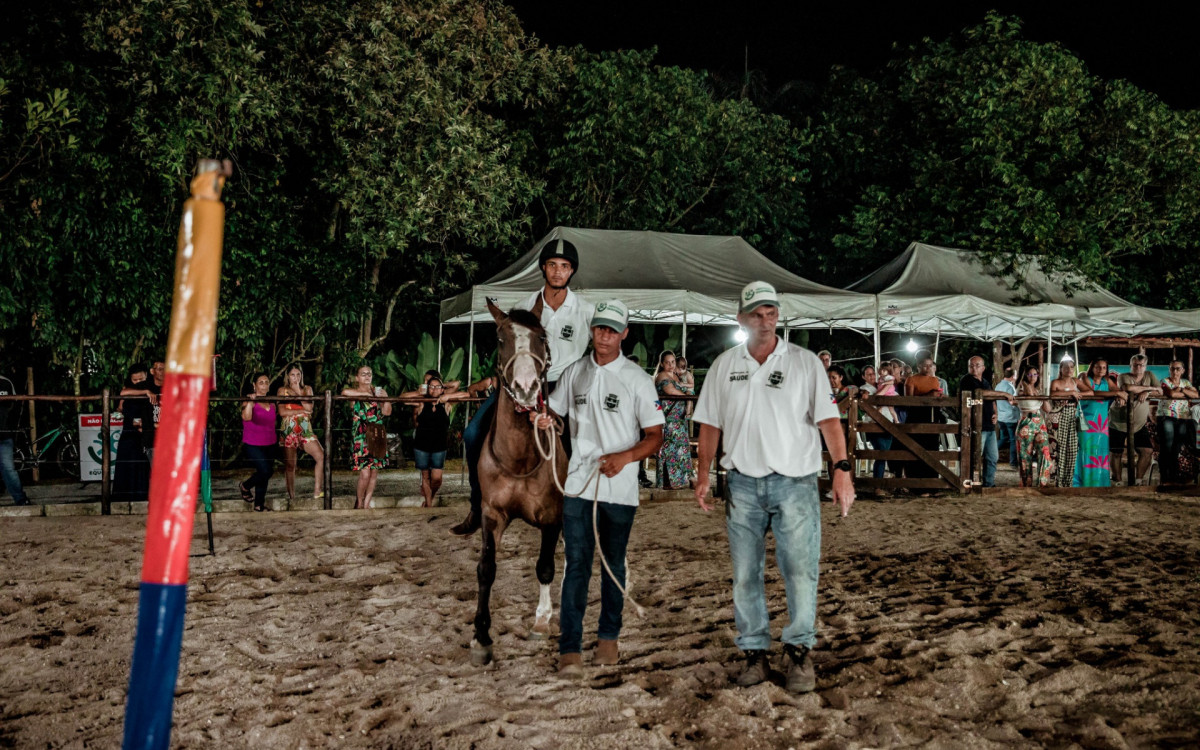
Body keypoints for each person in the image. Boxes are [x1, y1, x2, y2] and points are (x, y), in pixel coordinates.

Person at [693, 281, 854, 694]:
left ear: (778, 316)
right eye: (757, 315)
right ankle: (754, 652)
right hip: (741, 482)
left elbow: (829, 421)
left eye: (771, 313)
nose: (765, 322)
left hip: (795, 481)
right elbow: (709, 424)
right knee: (745, 575)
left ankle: (799, 649)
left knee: (800, 570)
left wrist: (841, 468)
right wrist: (702, 474)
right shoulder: (723, 366)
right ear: (741, 319)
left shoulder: (804, 362)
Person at [531, 299, 664, 677]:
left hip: (619, 491)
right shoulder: (576, 372)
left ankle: (608, 637)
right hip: (577, 486)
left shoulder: (637, 379)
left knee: (612, 565)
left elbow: (655, 436)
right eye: (598, 328)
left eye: (610, 330)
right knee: (576, 567)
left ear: (624, 333)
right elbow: (556, 413)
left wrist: (625, 457)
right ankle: (569, 647)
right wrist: (547, 421)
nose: (602, 336)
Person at [453, 238, 594, 536]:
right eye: (553, 265)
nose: (558, 271)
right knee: (473, 433)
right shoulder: (524, 306)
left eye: (565, 266)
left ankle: (574, 509)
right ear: (543, 267)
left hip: (564, 387)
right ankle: (478, 505)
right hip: (518, 386)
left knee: (580, 444)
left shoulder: (586, 310)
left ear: (572, 271)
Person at [959, 356, 1016, 488]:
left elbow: (991, 398)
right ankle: (971, 483)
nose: (974, 368)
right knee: (975, 456)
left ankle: (989, 483)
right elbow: (980, 393)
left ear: (983, 368)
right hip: (974, 424)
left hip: (988, 425)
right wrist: (1005, 394)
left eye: (977, 365)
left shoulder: (985, 381)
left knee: (992, 457)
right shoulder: (966, 380)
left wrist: (995, 413)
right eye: (971, 365)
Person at [343, 365, 392, 509]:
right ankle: (359, 501)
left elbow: (387, 412)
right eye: (363, 374)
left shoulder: (378, 391)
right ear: (357, 378)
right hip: (361, 435)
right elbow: (344, 392)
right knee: (364, 472)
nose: (367, 376)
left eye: (369, 373)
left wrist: (385, 398)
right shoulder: (355, 393)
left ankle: (366, 503)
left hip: (377, 433)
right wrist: (367, 396)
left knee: (374, 471)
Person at [1110, 354, 1160, 484]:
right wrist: (1149, 388)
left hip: (1139, 423)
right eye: (1136, 365)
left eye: (1142, 365)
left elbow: (1160, 390)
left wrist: (1147, 392)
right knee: (1116, 452)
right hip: (1118, 421)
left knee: (1147, 450)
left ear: (1146, 366)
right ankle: (1118, 480)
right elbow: (1128, 388)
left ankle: (1138, 480)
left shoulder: (1150, 375)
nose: (1139, 367)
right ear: (1130, 365)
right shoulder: (1123, 376)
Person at [278, 364, 325, 502]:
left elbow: (309, 408)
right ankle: (292, 496)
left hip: (305, 428)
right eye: (293, 375)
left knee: (320, 455)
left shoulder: (307, 389)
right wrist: (300, 411)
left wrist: (297, 394)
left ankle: (317, 490)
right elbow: (282, 412)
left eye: (298, 374)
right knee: (291, 465)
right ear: (287, 376)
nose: (296, 377)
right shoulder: (282, 390)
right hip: (289, 428)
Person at [1076, 358, 1122, 487]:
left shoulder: (1107, 380)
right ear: (1092, 367)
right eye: (1098, 367)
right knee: (1085, 449)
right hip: (1086, 418)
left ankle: (1099, 482)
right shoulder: (1084, 377)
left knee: (1100, 451)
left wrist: (1118, 394)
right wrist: (1116, 393)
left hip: (1101, 422)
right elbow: (1092, 392)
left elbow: (1117, 390)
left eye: (1104, 367)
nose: (1101, 369)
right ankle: (1084, 482)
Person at [113, 366, 156, 503]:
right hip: (129, 433)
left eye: (141, 379)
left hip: (145, 434)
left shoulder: (153, 388)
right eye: (135, 380)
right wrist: (144, 391)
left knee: (143, 466)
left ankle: (143, 497)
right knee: (126, 465)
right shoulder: (131, 390)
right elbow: (121, 398)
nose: (138, 382)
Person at [410, 377, 453, 507]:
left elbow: (465, 392)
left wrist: (445, 394)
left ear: (442, 389)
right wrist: (420, 392)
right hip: (422, 444)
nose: (434, 389)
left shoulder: (446, 404)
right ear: (427, 389)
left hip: (439, 446)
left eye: (437, 386)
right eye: (431, 387)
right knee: (425, 475)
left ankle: (431, 496)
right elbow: (404, 398)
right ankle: (428, 504)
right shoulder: (422, 403)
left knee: (436, 478)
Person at [903, 355, 942, 492]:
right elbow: (909, 401)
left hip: (931, 416)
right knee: (915, 449)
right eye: (925, 365)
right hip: (916, 416)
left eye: (930, 365)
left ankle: (932, 485)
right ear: (918, 365)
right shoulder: (911, 379)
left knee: (932, 449)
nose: (928, 368)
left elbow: (936, 396)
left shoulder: (935, 380)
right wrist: (928, 396)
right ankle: (915, 486)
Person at [654, 351, 692, 489]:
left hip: (679, 419)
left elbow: (688, 387)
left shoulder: (676, 376)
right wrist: (687, 397)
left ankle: (679, 481)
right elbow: (670, 391)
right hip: (669, 419)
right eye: (667, 362)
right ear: (662, 364)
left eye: (673, 362)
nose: (670, 365)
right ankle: (668, 481)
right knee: (669, 448)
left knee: (680, 448)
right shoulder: (662, 376)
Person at [240, 373, 277, 512]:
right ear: (254, 385)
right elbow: (247, 417)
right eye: (260, 382)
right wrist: (250, 401)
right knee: (265, 470)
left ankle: (259, 505)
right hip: (253, 443)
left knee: (265, 473)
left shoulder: (272, 401)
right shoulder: (248, 400)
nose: (264, 385)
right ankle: (245, 486)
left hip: (270, 442)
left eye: (266, 382)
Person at [1157, 360, 1197, 484]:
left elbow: (1195, 395)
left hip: (1182, 417)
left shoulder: (1186, 382)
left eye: (1178, 369)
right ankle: (1165, 476)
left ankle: (1173, 476)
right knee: (1167, 446)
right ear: (1169, 369)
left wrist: (1181, 389)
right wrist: (1185, 392)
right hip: (1166, 416)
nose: (1175, 371)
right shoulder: (1164, 381)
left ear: (1183, 370)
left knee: (1176, 447)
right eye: (1172, 368)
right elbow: (1172, 394)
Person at [1015, 367, 1054, 487]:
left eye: (1035, 374)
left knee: (1045, 451)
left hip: (1039, 421)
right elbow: (1029, 394)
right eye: (1029, 374)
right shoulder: (1021, 388)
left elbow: (1048, 409)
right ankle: (1026, 484)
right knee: (1025, 455)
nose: (1033, 377)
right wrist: (1034, 390)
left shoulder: (1038, 390)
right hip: (1026, 420)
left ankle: (1043, 482)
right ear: (1024, 375)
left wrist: (1042, 397)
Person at [1049, 360, 1081, 487]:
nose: (1069, 369)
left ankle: (1069, 481)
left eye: (1072, 367)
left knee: (1072, 449)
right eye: (1066, 367)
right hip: (1058, 416)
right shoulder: (1056, 382)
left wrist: (1076, 395)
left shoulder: (1075, 381)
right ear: (1061, 368)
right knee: (1059, 449)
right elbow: (1052, 394)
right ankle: (1058, 481)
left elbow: (1090, 392)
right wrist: (1071, 393)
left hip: (1073, 415)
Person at [0, 374, 30, 506]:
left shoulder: (5, 382)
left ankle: (21, 499)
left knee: (8, 469)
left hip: (4, 434)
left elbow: (14, 405)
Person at [995, 368, 1020, 466]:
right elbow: (1012, 402)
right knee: (1013, 440)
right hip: (1011, 417)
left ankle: (988, 453)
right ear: (1013, 376)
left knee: (1004, 438)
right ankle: (1013, 462)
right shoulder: (1010, 387)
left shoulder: (998, 386)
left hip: (1001, 417)